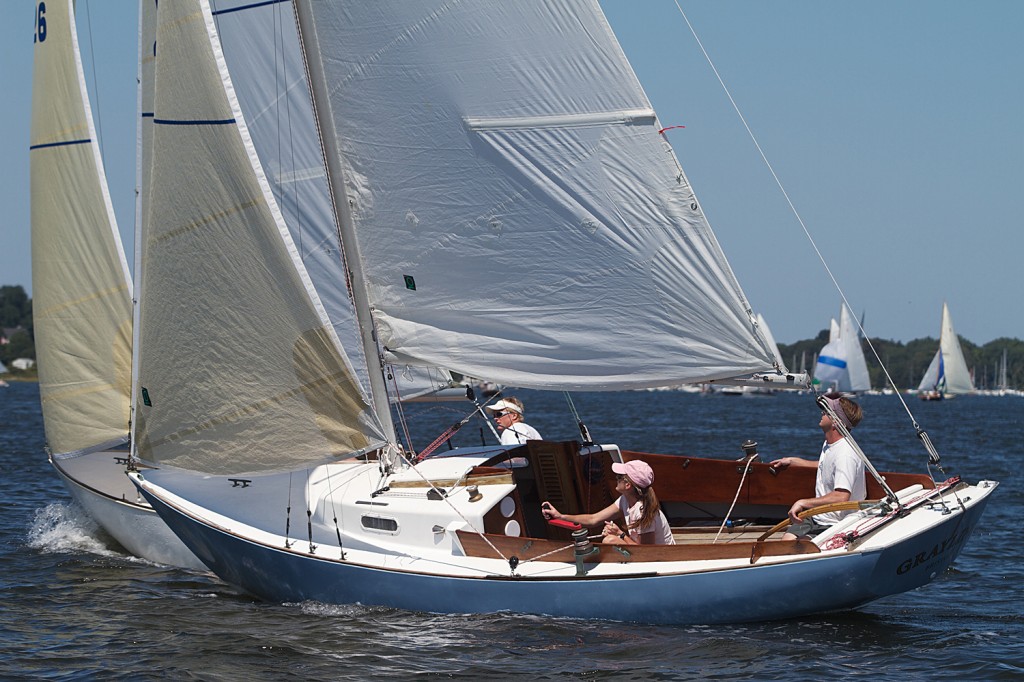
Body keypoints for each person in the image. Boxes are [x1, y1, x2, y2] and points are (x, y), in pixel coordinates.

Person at [770, 393, 866, 538]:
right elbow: (825, 466)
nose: (822, 413)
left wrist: (803, 502)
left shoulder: (846, 454)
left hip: (835, 524)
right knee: (785, 541)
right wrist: (792, 461)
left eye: (827, 411)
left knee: (788, 547)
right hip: (818, 516)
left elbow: (841, 497)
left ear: (835, 421)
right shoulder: (831, 444)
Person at [541, 459, 675, 545]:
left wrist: (619, 534)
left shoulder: (642, 511)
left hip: (661, 558)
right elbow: (594, 519)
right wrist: (561, 516)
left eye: (618, 477)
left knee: (610, 540)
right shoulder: (624, 500)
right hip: (647, 554)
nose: (615, 478)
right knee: (610, 540)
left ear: (627, 485)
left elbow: (647, 552)